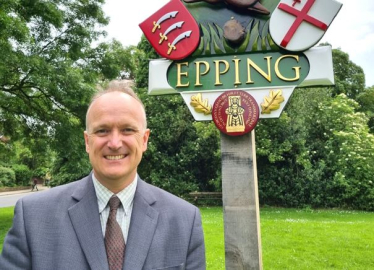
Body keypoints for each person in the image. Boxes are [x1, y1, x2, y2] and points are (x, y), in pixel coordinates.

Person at [0, 81, 206, 270]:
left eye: (127, 130)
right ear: (87, 141)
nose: (115, 143)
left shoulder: (184, 221)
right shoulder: (33, 217)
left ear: (144, 140)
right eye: (102, 131)